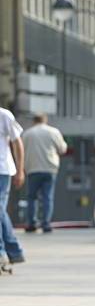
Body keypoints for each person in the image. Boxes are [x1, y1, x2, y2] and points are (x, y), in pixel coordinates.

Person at [21, 114, 67, 233]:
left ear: (34, 121)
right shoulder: (53, 132)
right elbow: (62, 149)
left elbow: (21, 150)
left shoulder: (27, 134)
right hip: (49, 168)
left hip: (32, 168)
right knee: (47, 197)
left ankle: (31, 223)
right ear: (45, 120)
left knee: (32, 197)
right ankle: (46, 224)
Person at [0, 107, 26, 273]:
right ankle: (14, 251)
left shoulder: (4, 115)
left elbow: (17, 142)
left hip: (2, 171)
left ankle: (4, 252)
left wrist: (20, 169)